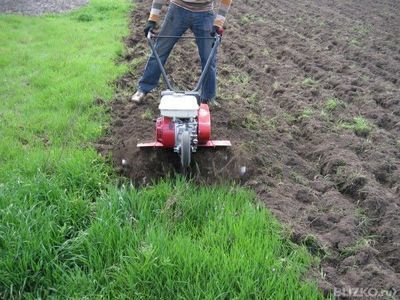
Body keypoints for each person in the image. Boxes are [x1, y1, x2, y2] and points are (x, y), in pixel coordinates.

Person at [131, 0, 232, 103]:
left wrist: (218, 23)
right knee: (160, 51)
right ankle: (143, 89)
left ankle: (207, 98)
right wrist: (152, 19)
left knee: (209, 57)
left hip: (205, 13)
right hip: (177, 10)